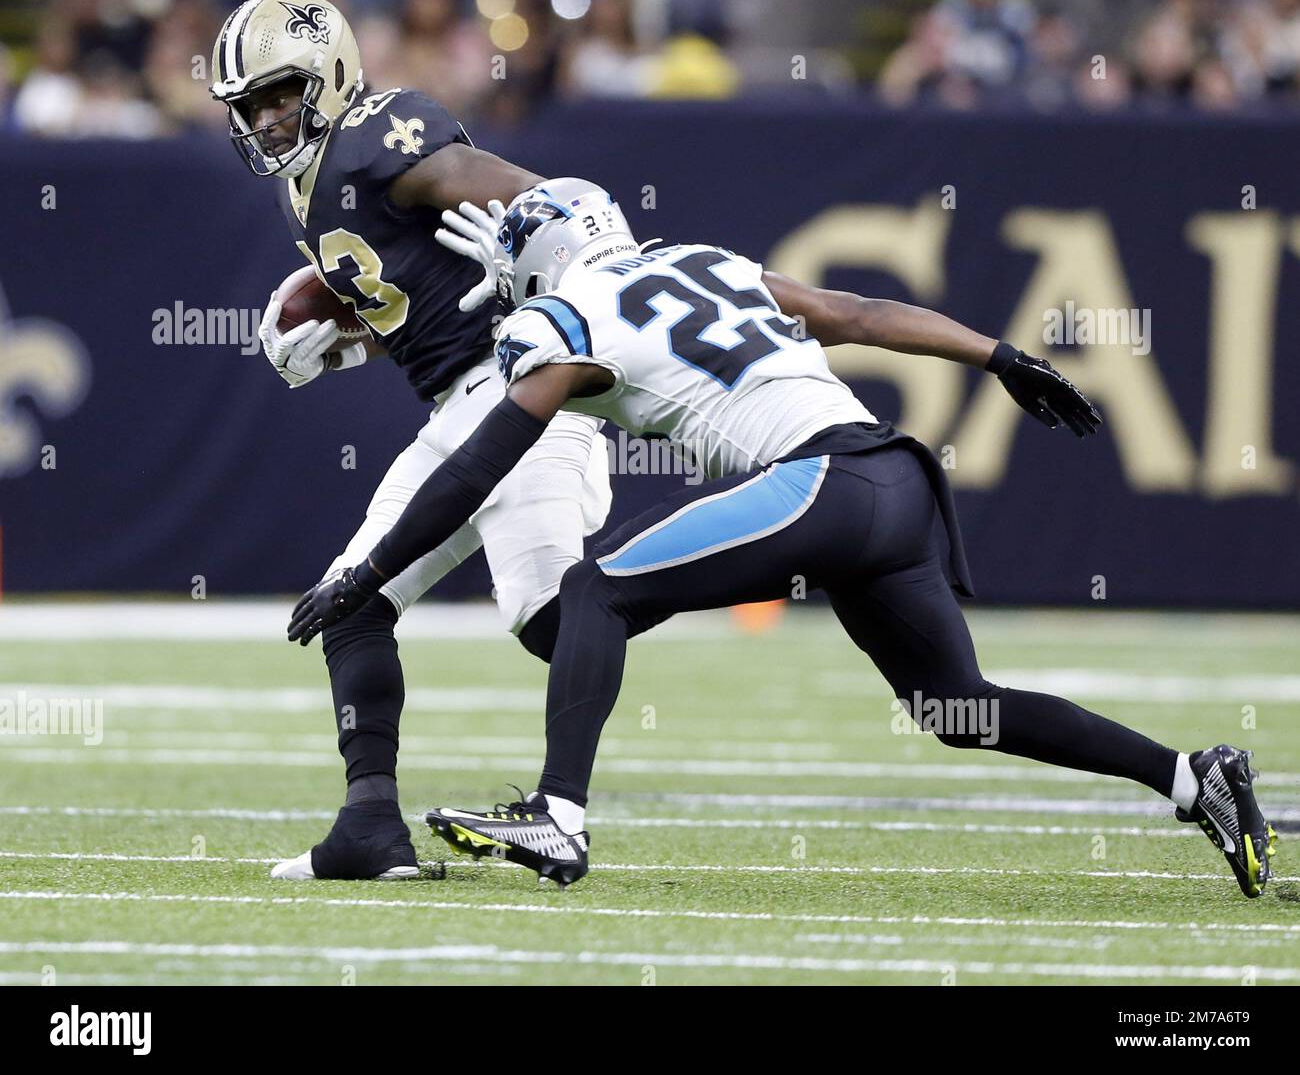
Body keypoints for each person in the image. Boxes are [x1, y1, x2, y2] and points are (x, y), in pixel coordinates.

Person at [287, 179, 1275, 899]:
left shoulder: (562, 313)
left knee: (594, 591)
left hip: (821, 484)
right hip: (896, 478)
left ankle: (559, 817)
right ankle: (1192, 776)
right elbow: (862, 313)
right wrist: (1000, 354)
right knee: (954, 706)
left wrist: (369, 572)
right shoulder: (705, 262)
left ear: (532, 270)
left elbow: (478, 463)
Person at [209, 0, 611, 880]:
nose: (268, 119)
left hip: (524, 393)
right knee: (347, 605)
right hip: (455, 407)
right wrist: (335, 344)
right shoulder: (304, 190)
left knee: (554, 619)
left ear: (330, 74)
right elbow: (411, 301)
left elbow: (545, 207)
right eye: (250, 106)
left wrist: (568, 279)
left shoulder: (380, 131)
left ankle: (562, 808)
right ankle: (368, 826)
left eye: (280, 94)